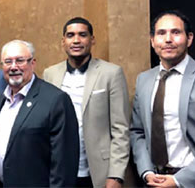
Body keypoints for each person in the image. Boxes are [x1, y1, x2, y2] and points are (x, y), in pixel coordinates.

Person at [42, 17, 130, 187]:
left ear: (92, 39)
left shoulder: (111, 73)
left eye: (82, 35)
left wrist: (116, 175)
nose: (76, 40)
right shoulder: (50, 74)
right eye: (70, 35)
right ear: (63, 41)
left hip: (98, 172)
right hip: (60, 171)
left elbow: (121, 129)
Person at [130, 10, 195, 188]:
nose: (168, 39)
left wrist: (179, 180)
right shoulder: (144, 80)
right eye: (161, 33)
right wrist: (147, 172)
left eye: (175, 32)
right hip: (153, 181)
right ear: (152, 41)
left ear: (189, 39)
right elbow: (137, 132)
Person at [0, 40, 79, 187]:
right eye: (8, 62)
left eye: (20, 61)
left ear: (33, 63)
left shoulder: (55, 100)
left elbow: (64, 164)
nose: (13, 67)